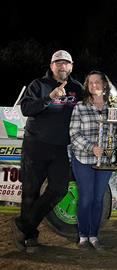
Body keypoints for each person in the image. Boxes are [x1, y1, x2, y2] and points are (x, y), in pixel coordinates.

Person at [11, 50, 83, 252]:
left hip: (60, 148)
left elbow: (87, 110)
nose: (62, 67)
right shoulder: (38, 85)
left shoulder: (77, 88)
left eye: (66, 63)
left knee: (59, 189)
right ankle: (30, 237)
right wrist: (49, 98)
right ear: (52, 66)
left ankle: (24, 225)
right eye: (58, 63)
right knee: (30, 193)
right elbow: (26, 109)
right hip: (36, 146)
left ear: (71, 66)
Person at [70, 71, 117, 250]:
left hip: (105, 161)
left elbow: (115, 132)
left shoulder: (113, 107)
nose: (94, 86)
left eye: (97, 82)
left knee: (99, 199)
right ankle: (83, 236)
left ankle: (94, 235)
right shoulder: (80, 107)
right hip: (83, 159)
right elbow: (74, 135)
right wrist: (91, 147)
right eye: (90, 83)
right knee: (86, 198)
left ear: (104, 84)